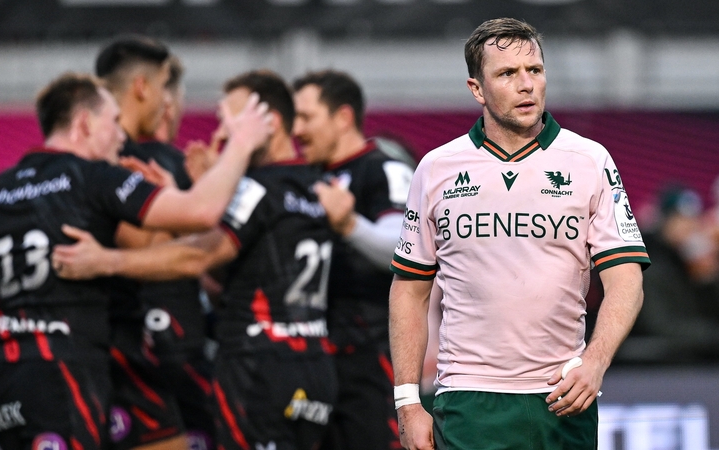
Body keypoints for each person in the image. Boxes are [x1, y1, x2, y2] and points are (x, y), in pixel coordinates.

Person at [0, 72, 270, 450]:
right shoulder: (91, 178)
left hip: (9, 381)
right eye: (113, 123)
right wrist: (241, 144)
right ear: (85, 124)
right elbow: (201, 212)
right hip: (66, 376)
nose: (122, 137)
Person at [388, 18, 650, 450]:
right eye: (507, 74)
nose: (526, 84)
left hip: (562, 397)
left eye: (535, 70)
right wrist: (407, 401)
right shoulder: (436, 168)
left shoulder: (589, 159)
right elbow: (409, 288)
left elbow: (626, 279)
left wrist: (596, 361)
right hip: (468, 399)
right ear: (477, 89)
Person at [52, 70, 338, 450]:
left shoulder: (257, 189)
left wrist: (105, 260)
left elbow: (197, 258)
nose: (220, 137)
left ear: (269, 124)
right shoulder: (316, 186)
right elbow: (247, 266)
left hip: (258, 368)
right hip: (315, 365)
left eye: (232, 124)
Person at [97, 37, 215, 450]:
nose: (169, 104)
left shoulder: (155, 158)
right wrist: (197, 218)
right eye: (167, 87)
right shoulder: (113, 159)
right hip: (135, 348)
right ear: (144, 88)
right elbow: (139, 246)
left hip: (155, 347)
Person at [291, 70, 414, 450]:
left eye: (306, 117)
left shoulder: (383, 169)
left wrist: (348, 224)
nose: (297, 129)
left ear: (343, 117)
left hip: (369, 359)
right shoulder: (302, 180)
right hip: (309, 359)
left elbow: (402, 249)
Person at [623, 185, 719, 363]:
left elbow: (708, 312)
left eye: (692, 220)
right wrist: (712, 334)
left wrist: (707, 281)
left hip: (690, 361)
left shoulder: (689, 262)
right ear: (664, 221)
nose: (689, 227)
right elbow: (661, 326)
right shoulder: (646, 264)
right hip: (649, 369)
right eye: (680, 219)